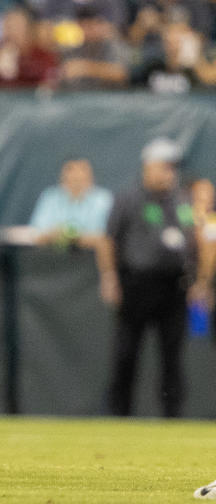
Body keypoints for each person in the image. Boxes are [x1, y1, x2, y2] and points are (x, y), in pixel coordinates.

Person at [96, 138, 200, 419]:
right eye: (164, 166)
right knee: (126, 353)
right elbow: (107, 240)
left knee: (172, 357)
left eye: (173, 167)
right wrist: (109, 277)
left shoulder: (182, 198)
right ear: (148, 166)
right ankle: (120, 415)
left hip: (174, 286)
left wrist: (197, 279)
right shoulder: (128, 198)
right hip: (137, 285)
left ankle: (172, 417)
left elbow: (194, 238)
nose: (169, 172)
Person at [29, 158, 113, 249]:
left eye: (81, 178)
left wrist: (71, 237)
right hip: (52, 254)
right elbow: (37, 234)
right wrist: (58, 235)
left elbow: (104, 237)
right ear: (62, 178)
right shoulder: (50, 198)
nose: (76, 179)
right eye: (72, 177)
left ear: (91, 179)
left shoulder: (103, 200)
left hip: (90, 256)